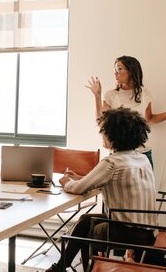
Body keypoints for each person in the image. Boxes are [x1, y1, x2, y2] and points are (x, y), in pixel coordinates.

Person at [46, 107, 157, 272]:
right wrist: (80, 178)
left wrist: (66, 182)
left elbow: (78, 189)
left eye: (104, 132)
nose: (102, 135)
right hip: (149, 232)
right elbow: (103, 180)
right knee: (85, 220)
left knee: (85, 227)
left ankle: (62, 267)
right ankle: (62, 267)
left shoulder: (112, 162)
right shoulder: (142, 159)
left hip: (125, 231)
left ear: (114, 135)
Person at [86, 55, 166, 167]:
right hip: (120, 155)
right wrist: (97, 96)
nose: (115, 72)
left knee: (147, 185)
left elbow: (149, 119)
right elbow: (102, 121)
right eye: (115, 69)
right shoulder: (111, 95)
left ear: (131, 71)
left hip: (143, 154)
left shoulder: (145, 93)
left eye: (119, 69)